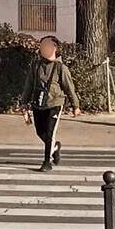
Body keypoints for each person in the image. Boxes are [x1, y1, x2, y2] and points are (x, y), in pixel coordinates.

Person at [22, 36, 80, 170]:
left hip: (55, 103)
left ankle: (46, 161)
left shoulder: (61, 68)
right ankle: (55, 148)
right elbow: (29, 85)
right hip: (38, 102)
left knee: (49, 132)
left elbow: (69, 87)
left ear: (55, 48)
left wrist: (75, 105)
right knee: (40, 131)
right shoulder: (35, 66)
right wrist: (24, 102)